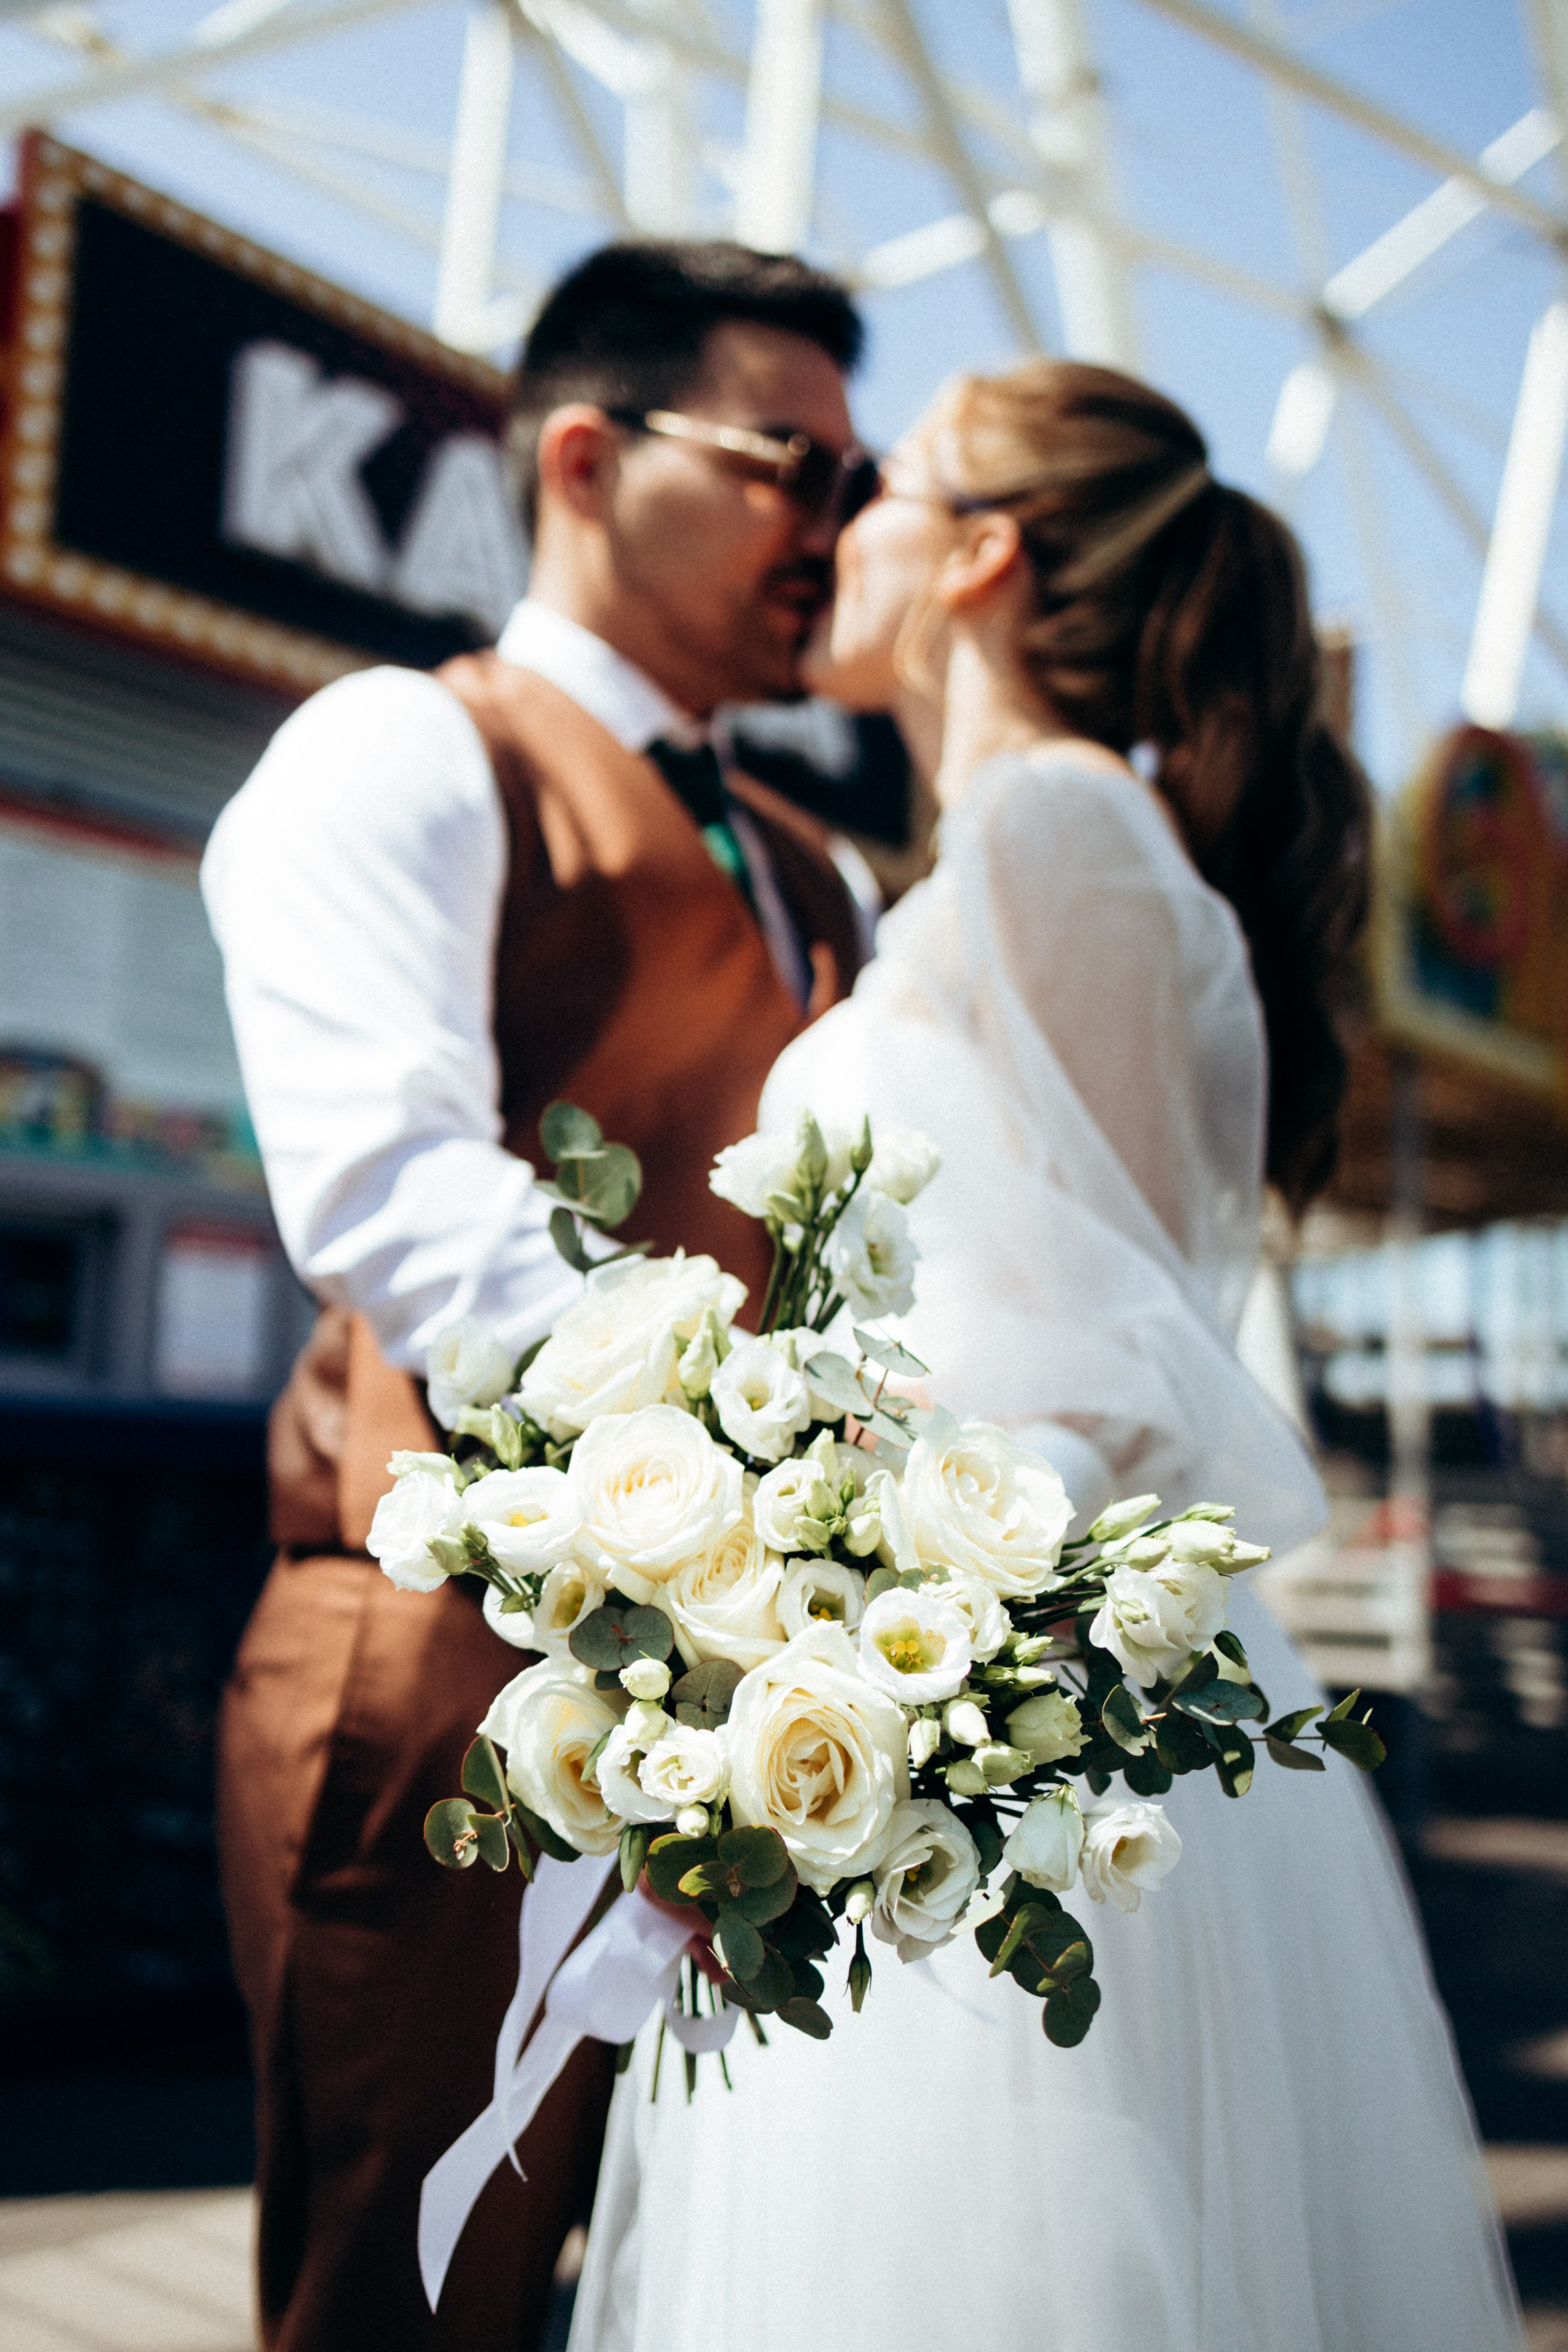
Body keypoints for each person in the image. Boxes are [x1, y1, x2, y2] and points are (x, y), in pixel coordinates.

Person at [565, 363, 1524, 2351]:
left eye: (885, 483)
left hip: (1016, 1721)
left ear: (988, 556)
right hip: (983, 1679)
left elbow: (1112, 1366)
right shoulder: (1012, 847)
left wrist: (832, 1668)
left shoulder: (1061, 829)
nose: (834, 523)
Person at [202, 239, 876, 2352]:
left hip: (772, 1720)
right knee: (408, 2299)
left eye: (857, 486)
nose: (836, 530)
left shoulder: (815, 860)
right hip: (441, 1686)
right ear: (586, 454)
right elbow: (404, 1202)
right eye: (794, 464)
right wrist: (757, 1535)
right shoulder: (405, 750)